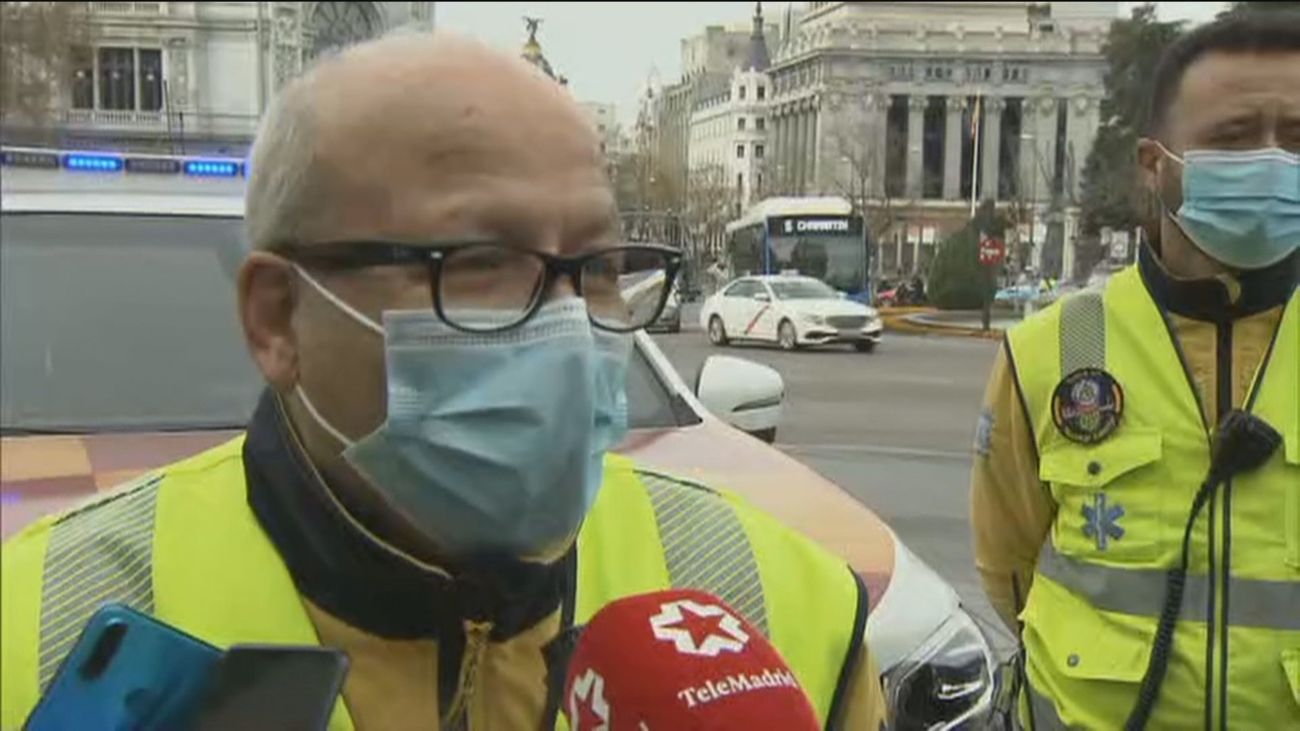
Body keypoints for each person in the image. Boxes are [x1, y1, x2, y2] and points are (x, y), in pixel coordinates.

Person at [0, 35, 888, 729]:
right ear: (277, 318)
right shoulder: (35, 633)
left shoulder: (780, 601)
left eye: (602, 265)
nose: (571, 327)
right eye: (481, 261)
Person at [970, 14, 1298, 730]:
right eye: (1237, 137)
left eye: (1297, 138)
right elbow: (1012, 568)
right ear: (1156, 165)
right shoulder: (1055, 347)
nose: (1274, 163)